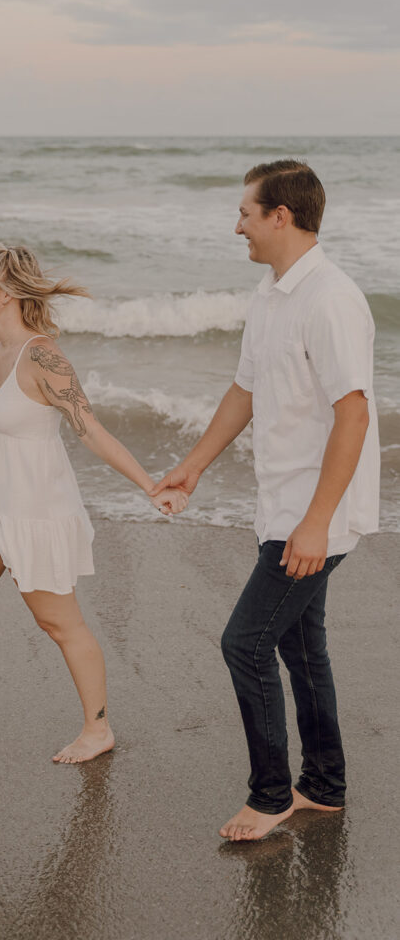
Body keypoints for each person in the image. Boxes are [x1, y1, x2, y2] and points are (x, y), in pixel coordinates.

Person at [0, 243, 186, 763]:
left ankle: (98, 729)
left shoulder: (43, 357)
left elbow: (90, 430)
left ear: (10, 293)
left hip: (34, 512)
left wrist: (150, 485)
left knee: (60, 624)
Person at [152, 160, 380, 840]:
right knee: (299, 647)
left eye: (246, 214)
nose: (237, 226)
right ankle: (323, 785)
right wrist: (191, 468)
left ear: (280, 215)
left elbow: (354, 414)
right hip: (281, 503)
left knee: (244, 644)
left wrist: (314, 524)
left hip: (315, 515)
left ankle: (270, 794)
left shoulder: (330, 299)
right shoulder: (271, 291)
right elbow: (244, 390)